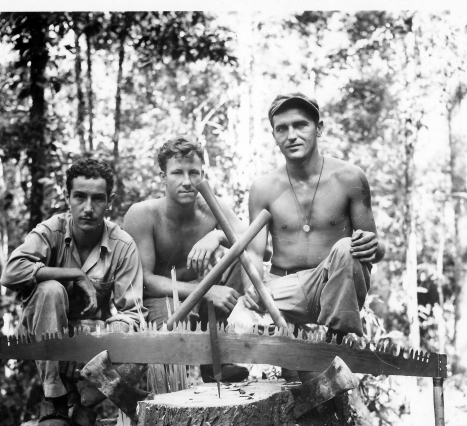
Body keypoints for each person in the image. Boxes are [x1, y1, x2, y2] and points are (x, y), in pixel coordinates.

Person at [232, 92, 386, 381]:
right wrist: (251, 289)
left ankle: (338, 342)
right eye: (282, 128)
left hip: (332, 285)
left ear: (319, 128)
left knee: (346, 247)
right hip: (284, 285)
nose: (291, 135)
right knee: (238, 325)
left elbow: (371, 249)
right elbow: (253, 252)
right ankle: (253, 378)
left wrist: (378, 246)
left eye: (300, 125)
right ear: (274, 135)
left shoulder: (350, 178)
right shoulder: (264, 187)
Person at [1, 158, 147, 426]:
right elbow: (10, 274)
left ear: (110, 201)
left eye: (97, 199)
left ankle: (85, 400)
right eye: (79, 197)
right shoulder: (50, 231)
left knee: (135, 334)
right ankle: (54, 401)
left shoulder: (122, 245)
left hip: (91, 349)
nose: (88, 208)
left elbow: (133, 312)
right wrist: (73, 275)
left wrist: (106, 338)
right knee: (50, 288)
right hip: (45, 340)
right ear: (67, 198)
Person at [123, 137, 248, 382]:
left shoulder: (211, 207)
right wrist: (204, 291)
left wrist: (218, 236)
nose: (187, 182)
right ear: (162, 177)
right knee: (172, 373)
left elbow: (258, 249)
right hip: (163, 302)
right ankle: (170, 377)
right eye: (177, 173)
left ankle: (219, 357)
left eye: (194, 173)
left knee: (240, 256)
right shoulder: (143, 214)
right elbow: (144, 281)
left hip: (206, 304)